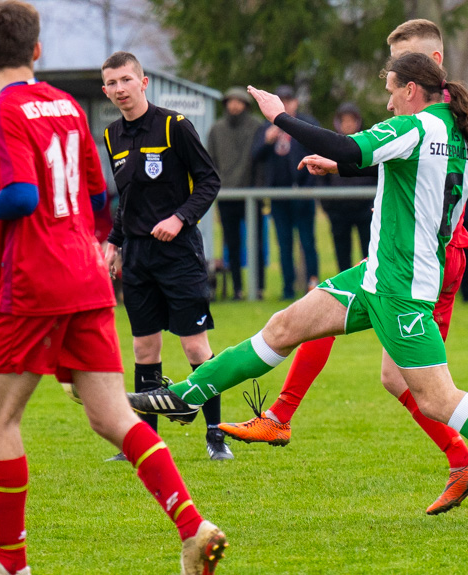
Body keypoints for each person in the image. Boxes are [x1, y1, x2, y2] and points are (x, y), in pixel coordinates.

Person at [128, 52, 468, 533]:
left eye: (390, 89)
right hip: (376, 277)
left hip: (400, 289)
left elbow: (347, 146)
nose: (386, 100)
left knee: (438, 399)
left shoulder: (417, 126)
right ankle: (187, 394)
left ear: (410, 90)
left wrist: (281, 117)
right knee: (284, 327)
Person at [0, 3, 226, 574]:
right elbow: (100, 199)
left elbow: (21, 199)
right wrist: (94, 239)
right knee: (113, 415)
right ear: (37, 52)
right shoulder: (67, 106)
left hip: (34, 282)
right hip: (85, 276)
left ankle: (11, 567)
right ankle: (193, 528)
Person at [219, 20, 468, 516]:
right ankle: (282, 414)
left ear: (431, 67)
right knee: (332, 314)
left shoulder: (446, 121)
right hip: (404, 253)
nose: (390, 85)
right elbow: (392, 155)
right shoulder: (429, 119)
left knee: (415, 384)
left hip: (432, 258)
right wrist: (344, 165)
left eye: (403, 64)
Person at [101, 51, 232, 460]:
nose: (119, 89)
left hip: (178, 253)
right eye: (111, 83)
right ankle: (144, 444)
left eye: (126, 80)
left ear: (143, 82)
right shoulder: (111, 136)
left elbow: (210, 181)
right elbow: (127, 200)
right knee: (144, 350)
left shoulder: (175, 126)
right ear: (105, 91)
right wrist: (114, 241)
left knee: (195, 348)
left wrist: (179, 218)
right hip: (137, 257)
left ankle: (216, 437)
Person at [252, 85, 320, 299]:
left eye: (289, 100)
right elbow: (255, 156)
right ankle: (287, 288)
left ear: (296, 103)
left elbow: (321, 151)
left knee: (308, 242)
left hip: (303, 194)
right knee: (284, 244)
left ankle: (313, 286)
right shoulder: (267, 126)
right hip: (279, 196)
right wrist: (267, 141)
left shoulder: (307, 123)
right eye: (282, 100)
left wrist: (309, 187)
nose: (287, 104)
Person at [207, 86, 264, 300]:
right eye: (230, 101)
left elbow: (261, 162)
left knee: (256, 242)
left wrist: (258, 190)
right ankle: (238, 289)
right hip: (226, 196)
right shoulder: (216, 130)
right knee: (231, 244)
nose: (234, 105)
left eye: (238, 102)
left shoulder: (257, 126)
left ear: (246, 105)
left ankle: (258, 288)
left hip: (252, 195)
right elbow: (210, 162)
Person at [318, 102, 375, 272]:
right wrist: (328, 206)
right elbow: (322, 178)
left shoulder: (369, 145)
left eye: (351, 120)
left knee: (370, 251)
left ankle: (369, 286)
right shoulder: (330, 147)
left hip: (365, 208)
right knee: (342, 252)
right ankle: (343, 290)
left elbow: (377, 173)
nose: (348, 124)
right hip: (338, 209)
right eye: (344, 120)